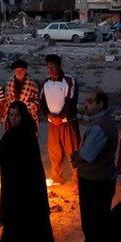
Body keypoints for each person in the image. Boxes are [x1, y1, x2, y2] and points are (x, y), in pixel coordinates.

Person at [0, 101, 55, 242]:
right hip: (18, 180)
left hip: (24, 182)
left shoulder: (24, 133)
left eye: (17, 116)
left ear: (23, 117)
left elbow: (18, 158)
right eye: (11, 115)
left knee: (24, 212)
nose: (13, 119)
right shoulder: (17, 133)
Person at [71, 90, 118, 242]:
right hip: (102, 177)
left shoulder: (99, 127)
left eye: (90, 102)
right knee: (99, 218)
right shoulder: (105, 122)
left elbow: (87, 155)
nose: (86, 105)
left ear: (101, 104)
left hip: (95, 180)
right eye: (85, 101)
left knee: (92, 221)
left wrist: (76, 157)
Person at [41, 54, 80, 186]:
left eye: (53, 65)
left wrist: (61, 117)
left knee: (73, 151)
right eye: (48, 66)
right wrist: (49, 116)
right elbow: (42, 102)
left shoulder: (69, 80)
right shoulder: (46, 83)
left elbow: (71, 101)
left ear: (59, 66)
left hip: (67, 123)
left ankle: (78, 180)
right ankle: (57, 178)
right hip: (53, 124)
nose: (50, 69)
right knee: (55, 152)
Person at [4, 59, 40, 129]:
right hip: (13, 116)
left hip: (28, 115)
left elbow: (36, 101)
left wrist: (22, 110)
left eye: (21, 71)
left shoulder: (32, 83)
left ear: (25, 71)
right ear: (14, 71)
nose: (19, 73)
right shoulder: (9, 83)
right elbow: (7, 101)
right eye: (17, 71)